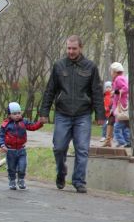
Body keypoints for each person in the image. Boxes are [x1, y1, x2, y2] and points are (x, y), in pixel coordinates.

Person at [40, 35, 103, 194]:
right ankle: (61, 172)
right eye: (68, 48)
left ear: (80, 48)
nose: (71, 51)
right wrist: (44, 112)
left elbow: (96, 91)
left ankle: (79, 181)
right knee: (59, 147)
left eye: (74, 48)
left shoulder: (90, 67)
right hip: (63, 113)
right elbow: (50, 90)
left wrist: (100, 115)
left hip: (83, 114)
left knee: (82, 149)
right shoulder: (59, 66)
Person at [0, 102, 43, 190]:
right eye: (14, 114)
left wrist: (40, 123)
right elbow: (1, 135)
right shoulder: (5, 124)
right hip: (10, 150)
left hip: (21, 150)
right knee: (11, 168)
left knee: (22, 166)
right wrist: (2, 145)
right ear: (9, 115)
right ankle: (12, 180)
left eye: (19, 113)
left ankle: (21, 179)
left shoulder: (24, 122)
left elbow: (32, 126)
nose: (17, 115)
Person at [109, 62, 131, 148]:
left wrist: (115, 92)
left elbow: (125, 88)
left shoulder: (119, 79)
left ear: (115, 71)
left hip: (120, 106)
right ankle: (128, 141)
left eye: (111, 71)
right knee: (125, 126)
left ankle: (122, 142)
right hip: (121, 105)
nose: (111, 73)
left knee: (117, 127)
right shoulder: (120, 78)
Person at [100, 81, 113, 146]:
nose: (108, 88)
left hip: (110, 113)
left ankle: (110, 137)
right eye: (107, 87)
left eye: (109, 87)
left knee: (110, 126)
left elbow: (112, 103)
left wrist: (108, 108)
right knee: (104, 125)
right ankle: (103, 136)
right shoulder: (104, 95)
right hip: (104, 114)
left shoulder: (112, 95)